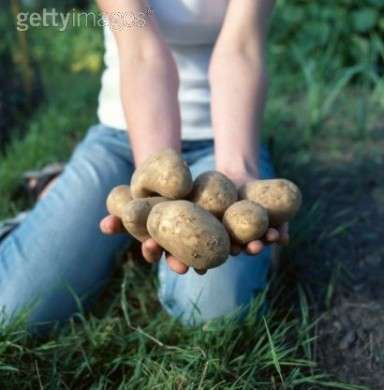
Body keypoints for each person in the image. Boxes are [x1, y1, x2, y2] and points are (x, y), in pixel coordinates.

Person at [0, 0, 288, 329]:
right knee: (10, 310)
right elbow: (142, 52)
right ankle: (59, 190)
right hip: (121, 138)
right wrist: (160, 195)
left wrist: (238, 170)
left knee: (215, 314)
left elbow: (242, 48)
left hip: (223, 141)